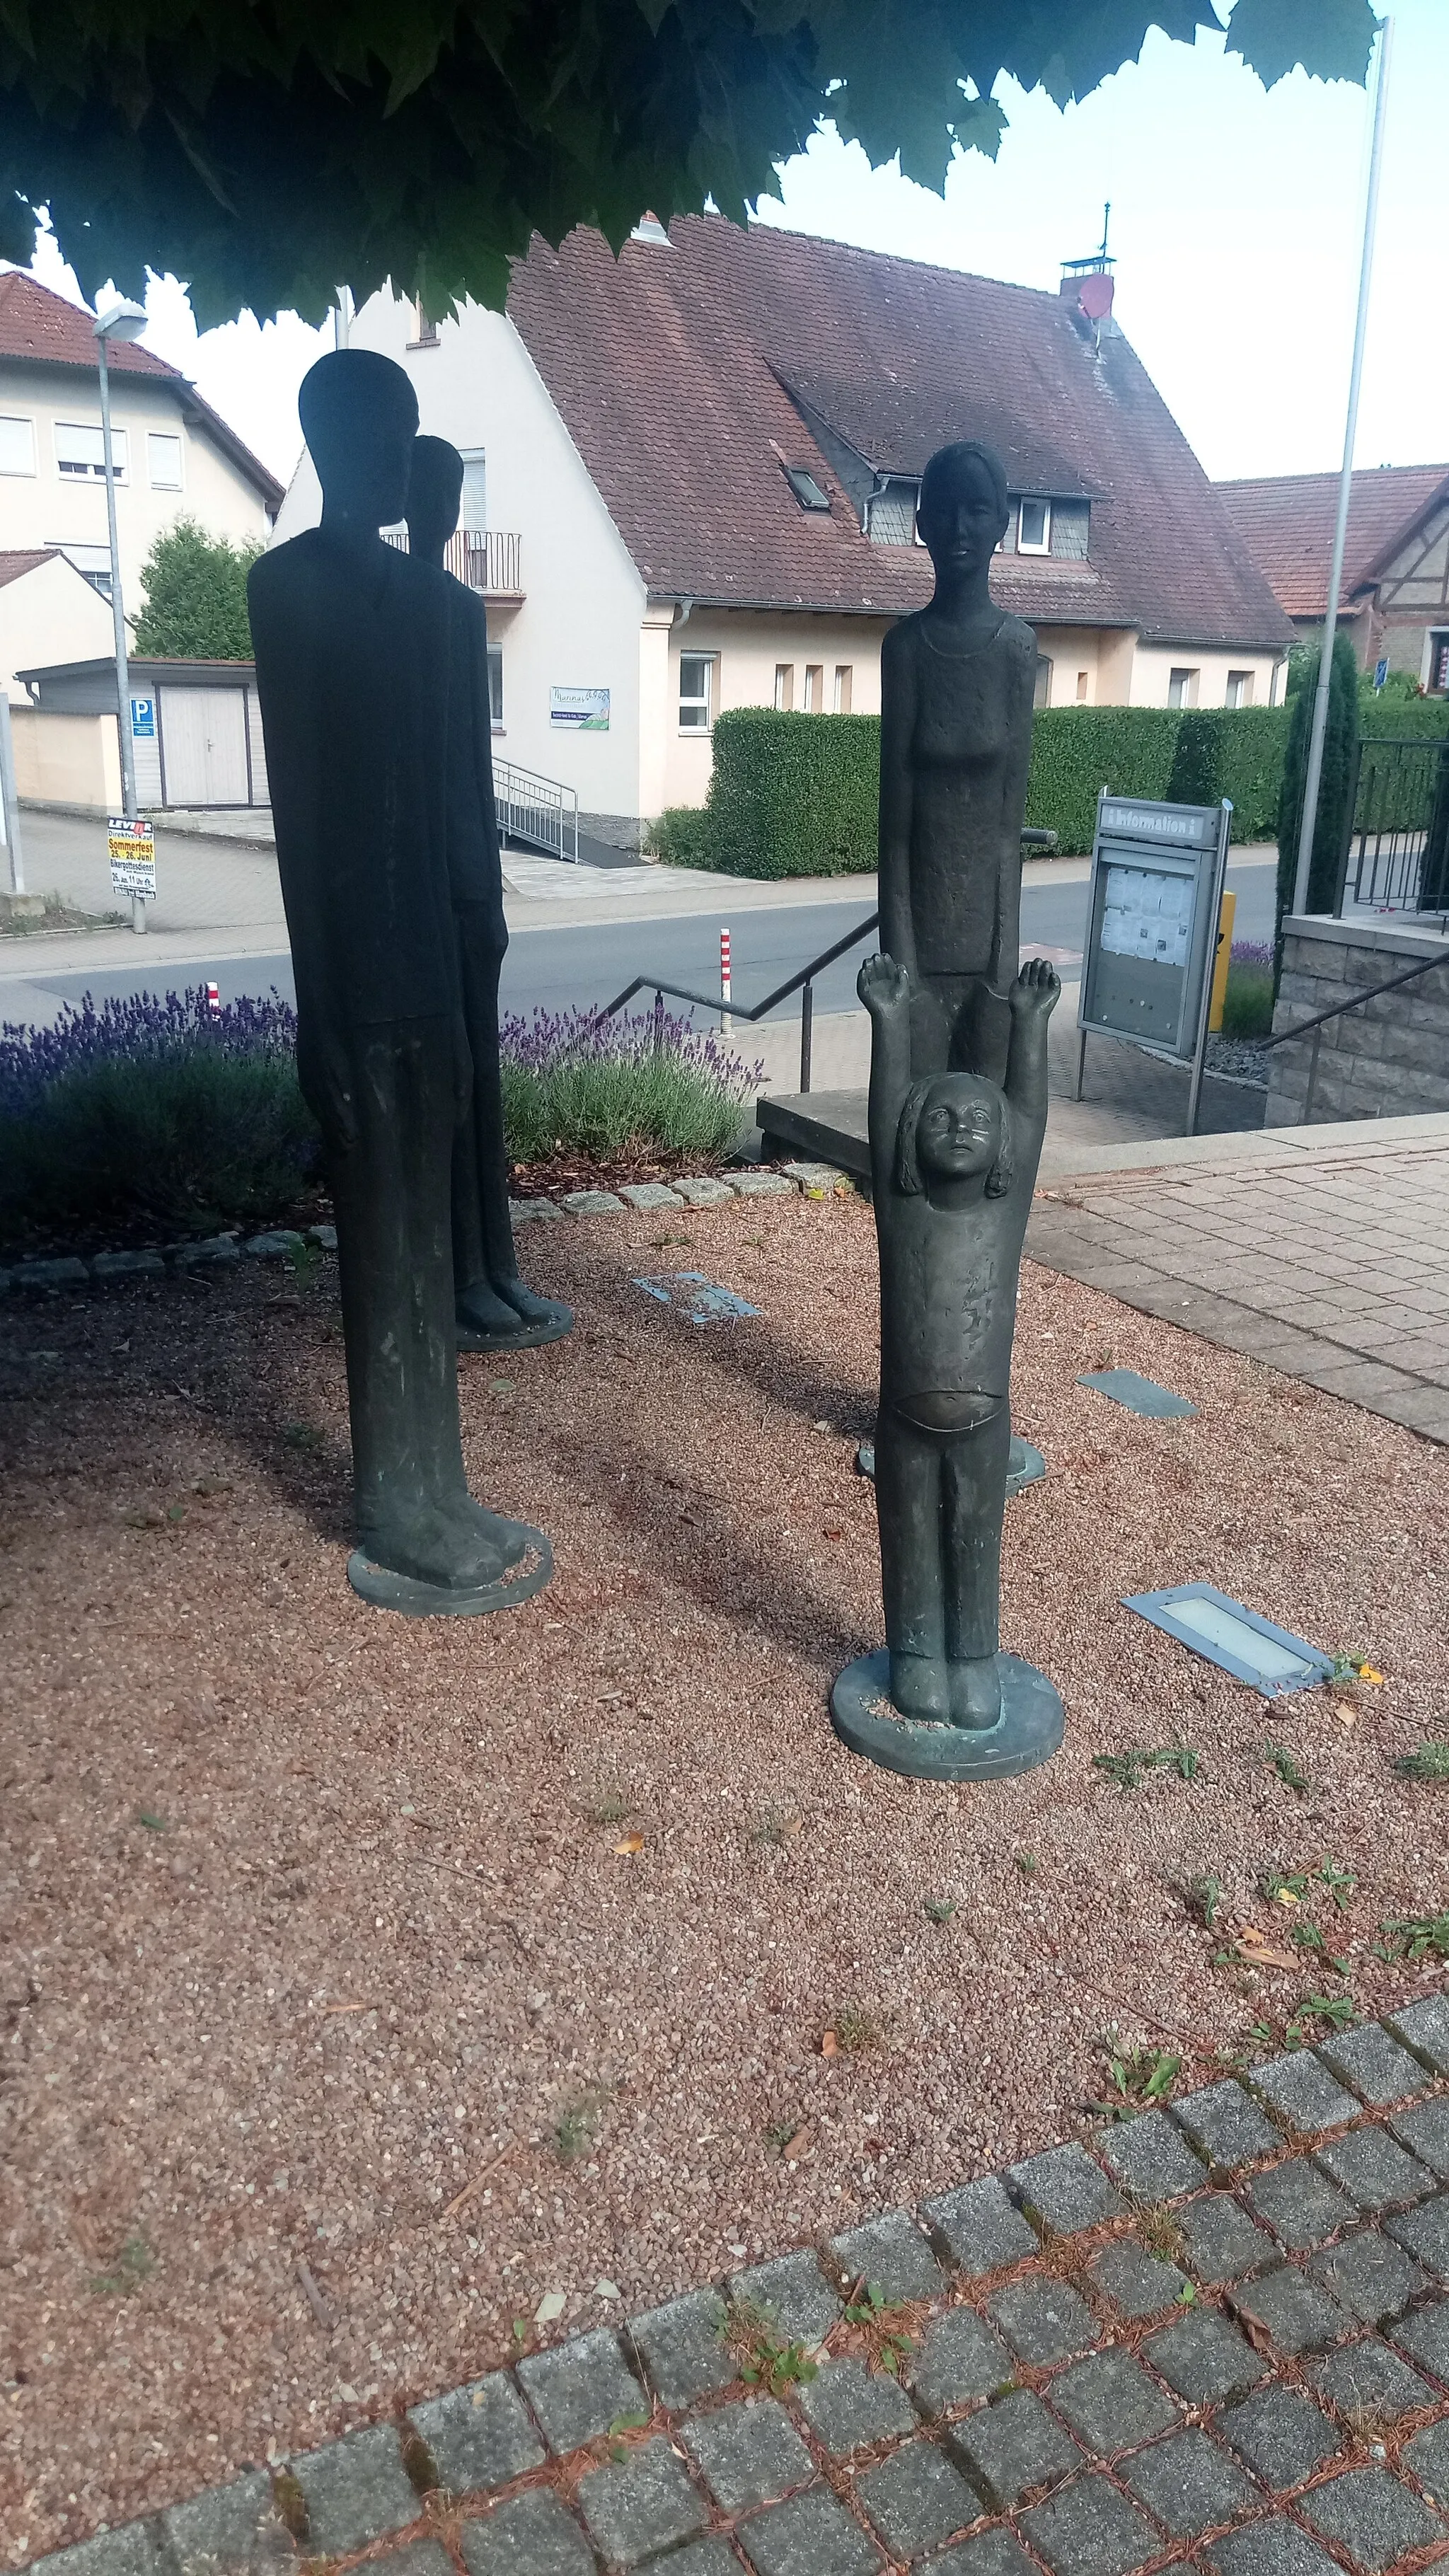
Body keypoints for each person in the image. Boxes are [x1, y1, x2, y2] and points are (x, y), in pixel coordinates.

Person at [248, 351, 549, 1609]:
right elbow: (306, 820)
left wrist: (468, 963)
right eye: (368, 430)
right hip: (359, 980)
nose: (388, 453)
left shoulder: (437, 613)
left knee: (428, 1234)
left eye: (404, 431)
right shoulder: (288, 592)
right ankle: (395, 1496)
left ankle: (440, 1479)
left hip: (430, 966)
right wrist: (319, 1016)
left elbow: (448, 807)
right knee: (381, 1243)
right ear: (324, 436)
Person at [858, 948, 1060, 1730]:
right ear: (912, 1136)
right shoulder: (903, 1211)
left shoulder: (998, 1215)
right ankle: (914, 1652)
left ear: (1001, 1143)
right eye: (939, 1116)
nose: (957, 1128)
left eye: (976, 1120)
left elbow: (1031, 1110)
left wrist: (1029, 1026)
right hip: (903, 1413)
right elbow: (883, 1113)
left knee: (976, 1531)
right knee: (908, 1530)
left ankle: (972, 1656)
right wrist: (887, 1022)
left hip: (984, 1415)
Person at [403, 434, 572, 1353]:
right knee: (451, 1087)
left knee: (486, 1083)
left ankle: (497, 1265)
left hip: (468, 877)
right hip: (421, 879)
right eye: (425, 491)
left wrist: (490, 887)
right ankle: (457, 1276)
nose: (440, 509)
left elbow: (474, 759)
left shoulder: (459, 609)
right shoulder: (387, 606)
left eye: (449, 492)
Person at [877, 442, 1039, 1087]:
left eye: (977, 510)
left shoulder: (1017, 649)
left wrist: (1002, 973)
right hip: (919, 941)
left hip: (987, 946)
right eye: (944, 511)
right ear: (921, 524)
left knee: (987, 1118)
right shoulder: (907, 648)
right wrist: (902, 968)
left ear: (1002, 522)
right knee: (908, 1118)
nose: (960, 529)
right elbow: (894, 833)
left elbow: (1007, 831)